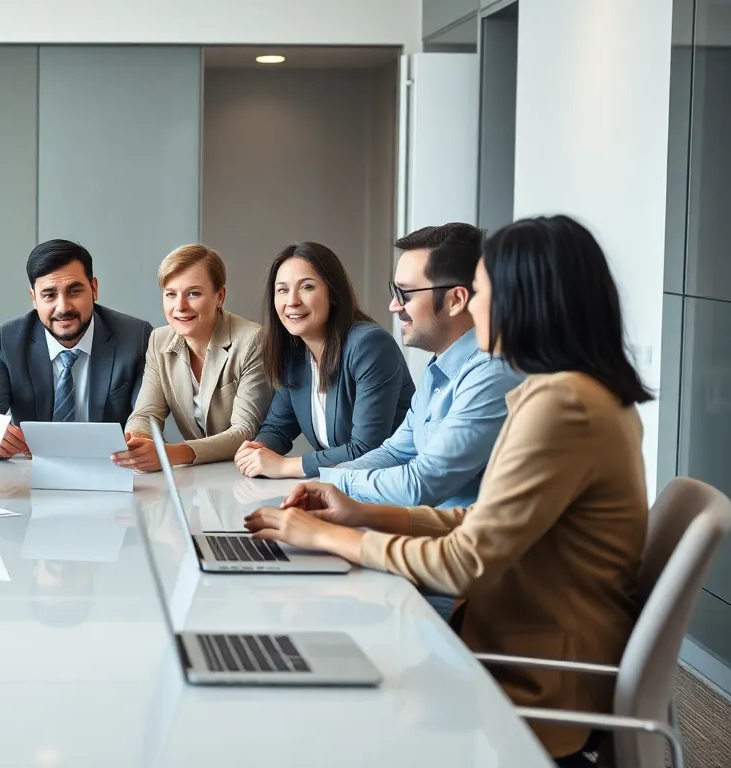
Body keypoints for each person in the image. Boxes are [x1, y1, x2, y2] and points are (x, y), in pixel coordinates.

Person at [245, 215, 651, 765]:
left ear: (522, 298)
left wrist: (330, 539)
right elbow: (479, 521)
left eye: (481, 290)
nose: (473, 303)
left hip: (526, 673)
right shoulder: (582, 394)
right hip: (511, 634)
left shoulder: (561, 404)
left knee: (321, 702)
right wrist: (360, 514)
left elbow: (465, 560)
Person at [319, 224, 524, 508]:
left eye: (404, 294)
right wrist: (332, 480)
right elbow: (395, 452)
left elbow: (422, 483)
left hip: (457, 543)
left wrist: (333, 484)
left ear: (456, 300)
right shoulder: (437, 368)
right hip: (424, 532)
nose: (393, 306)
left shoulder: (493, 373)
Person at [234, 241, 414, 479]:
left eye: (307, 287)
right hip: (342, 487)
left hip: (393, 488)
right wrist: (257, 450)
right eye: (282, 290)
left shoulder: (369, 345)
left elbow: (366, 450)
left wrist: (283, 466)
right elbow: (277, 428)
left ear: (333, 294)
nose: (292, 301)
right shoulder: (296, 354)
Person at [0, 239, 154, 458]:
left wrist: (139, 440)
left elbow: (146, 417)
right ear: (34, 298)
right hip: (31, 474)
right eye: (49, 295)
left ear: (94, 289)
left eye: (74, 291)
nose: (63, 307)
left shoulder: (135, 337)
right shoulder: (8, 339)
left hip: (111, 469)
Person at [115, 244, 271, 471]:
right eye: (170, 294)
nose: (180, 306)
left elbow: (244, 431)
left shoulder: (252, 340)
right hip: (198, 477)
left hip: (248, 473)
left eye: (193, 293)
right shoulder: (159, 340)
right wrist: (139, 443)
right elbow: (146, 413)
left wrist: (174, 453)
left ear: (220, 296)